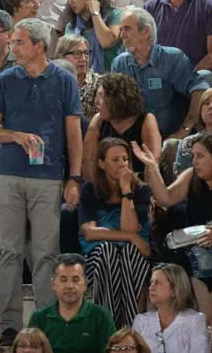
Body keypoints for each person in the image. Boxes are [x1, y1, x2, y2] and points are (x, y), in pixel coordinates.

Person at [0, 18, 82, 345]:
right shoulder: (5, 81)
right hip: (9, 175)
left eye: (19, 42)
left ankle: (46, 323)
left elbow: (73, 135)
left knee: (46, 253)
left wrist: (74, 178)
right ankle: (8, 328)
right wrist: (15, 136)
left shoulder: (65, 80)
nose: (13, 48)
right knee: (9, 251)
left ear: (39, 45)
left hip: (49, 176)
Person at [74, 136, 151, 328]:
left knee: (129, 253)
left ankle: (131, 330)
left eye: (125, 159)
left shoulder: (140, 190)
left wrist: (126, 191)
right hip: (100, 258)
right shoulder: (90, 190)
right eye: (115, 160)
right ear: (101, 163)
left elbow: (130, 226)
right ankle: (109, 328)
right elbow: (90, 233)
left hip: (133, 257)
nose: (122, 164)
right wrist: (131, 237)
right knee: (107, 251)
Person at [109, 6, 206, 140]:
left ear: (146, 32)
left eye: (127, 29)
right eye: (120, 30)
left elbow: (199, 90)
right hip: (134, 139)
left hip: (170, 138)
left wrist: (185, 130)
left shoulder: (172, 58)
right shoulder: (119, 63)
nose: (122, 35)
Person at [24, 253, 115, 353]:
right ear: (53, 284)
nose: (70, 286)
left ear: (85, 284)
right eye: (63, 280)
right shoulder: (39, 318)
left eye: (75, 280)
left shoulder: (101, 316)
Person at [127, 264, 211, 353]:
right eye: (151, 282)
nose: (151, 288)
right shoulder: (141, 321)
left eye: (157, 283)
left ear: (175, 289)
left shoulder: (194, 320)